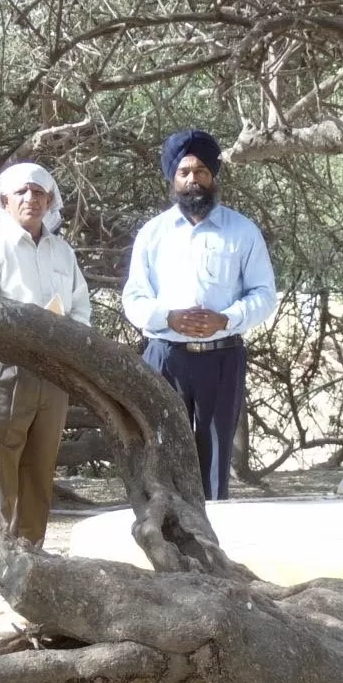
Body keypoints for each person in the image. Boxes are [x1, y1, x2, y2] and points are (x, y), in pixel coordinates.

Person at [122, 130, 276, 500]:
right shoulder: (153, 234)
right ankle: (168, 537)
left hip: (222, 357)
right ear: (173, 180)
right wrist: (168, 317)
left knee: (215, 453)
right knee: (160, 447)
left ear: (214, 178)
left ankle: (212, 545)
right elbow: (134, 297)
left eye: (202, 171)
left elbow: (264, 295)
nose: (194, 180)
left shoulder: (242, 231)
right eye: (185, 172)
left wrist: (226, 319)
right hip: (165, 356)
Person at [0, 162, 90, 589]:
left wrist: (65, 341)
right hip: (2, 369)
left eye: (40, 192)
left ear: (51, 201)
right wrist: (32, 328)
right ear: (4, 200)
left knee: (38, 474)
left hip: (52, 372)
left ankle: (31, 572)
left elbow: (80, 310)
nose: (31, 199)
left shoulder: (62, 252)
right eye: (22, 192)